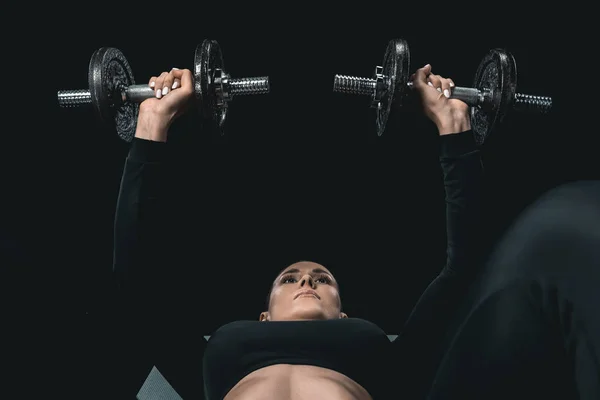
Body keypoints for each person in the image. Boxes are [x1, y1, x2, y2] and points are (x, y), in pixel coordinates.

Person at [112, 64, 600, 399]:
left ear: (344, 313)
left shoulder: (390, 359)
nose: (307, 281)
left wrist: (455, 128)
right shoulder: (210, 357)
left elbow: (464, 267)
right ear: (262, 317)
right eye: (292, 278)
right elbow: (136, 279)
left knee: (563, 222)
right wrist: (151, 122)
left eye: (321, 279)